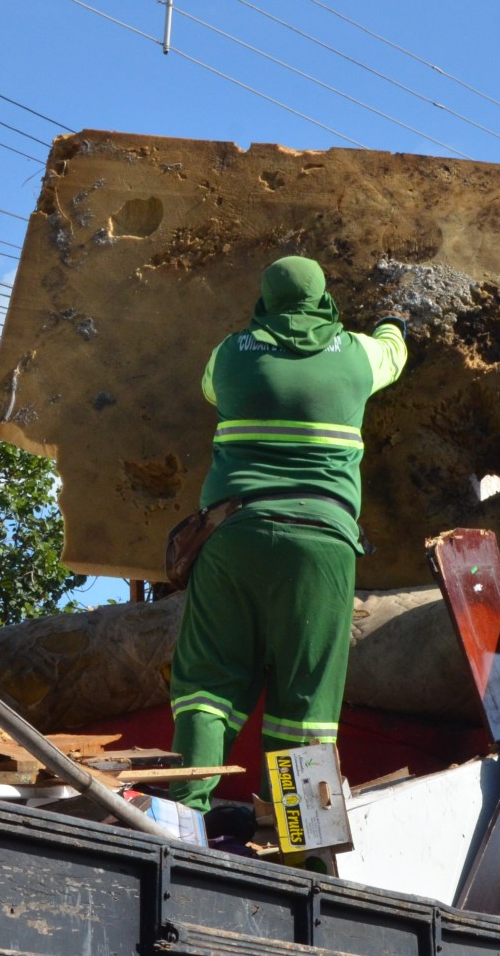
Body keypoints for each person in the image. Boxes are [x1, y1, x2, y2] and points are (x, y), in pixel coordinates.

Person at [168, 255, 409, 814]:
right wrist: (393, 317)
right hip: (322, 543)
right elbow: (393, 354)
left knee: (208, 684)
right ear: (323, 296)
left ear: (265, 297)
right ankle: (299, 839)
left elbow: (210, 391)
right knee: (307, 699)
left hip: (234, 533)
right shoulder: (355, 354)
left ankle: (181, 820)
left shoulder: (230, 354)